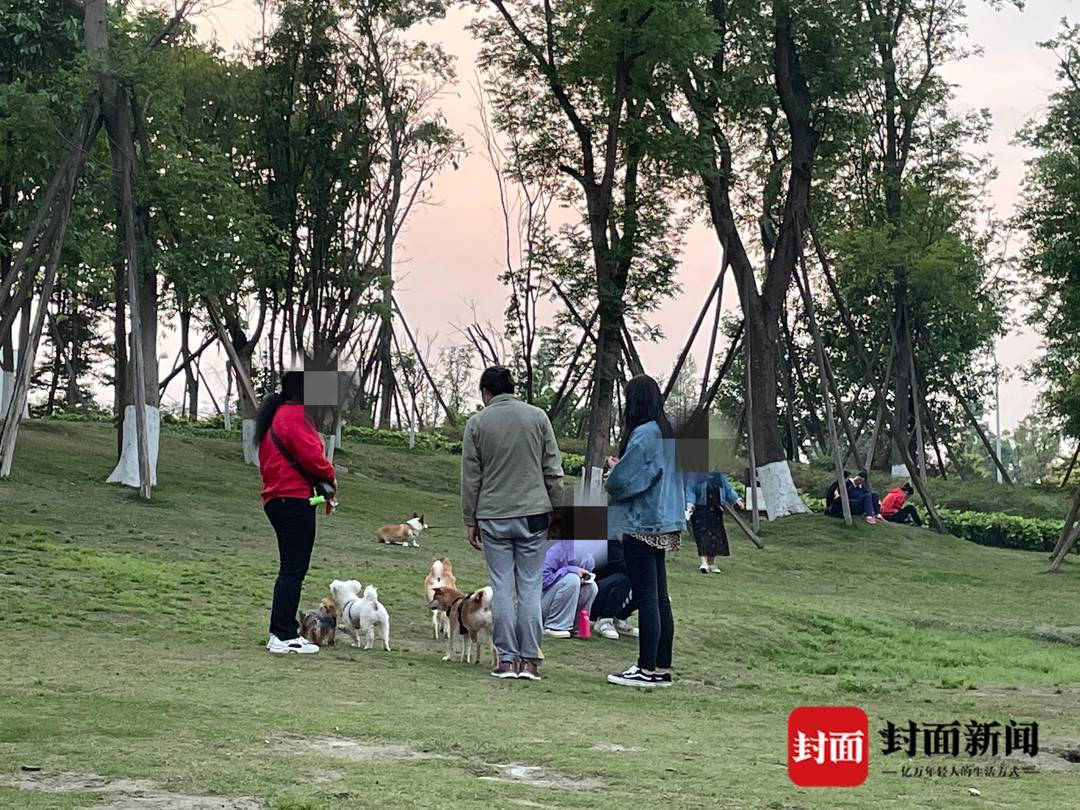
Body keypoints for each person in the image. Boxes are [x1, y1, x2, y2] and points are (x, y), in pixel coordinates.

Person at [462, 366, 564, 681]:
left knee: (502, 587)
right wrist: (558, 513)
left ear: (485, 392)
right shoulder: (538, 417)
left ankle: (506, 660)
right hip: (534, 513)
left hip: (493, 515)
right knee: (530, 587)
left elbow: (471, 477)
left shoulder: (477, 423)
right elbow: (553, 470)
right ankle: (530, 660)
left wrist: (470, 517)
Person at [604, 375, 685, 689]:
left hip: (643, 521)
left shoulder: (645, 434)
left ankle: (645, 667)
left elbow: (627, 479)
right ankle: (661, 668)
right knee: (660, 597)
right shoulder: (666, 433)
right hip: (665, 520)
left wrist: (614, 472)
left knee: (647, 596)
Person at [255, 371, 337, 655]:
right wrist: (330, 475)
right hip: (293, 499)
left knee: (291, 569)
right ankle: (282, 634)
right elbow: (314, 458)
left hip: (278, 499)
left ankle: (283, 631)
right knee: (293, 570)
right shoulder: (294, 416)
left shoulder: (276, 417)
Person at [685, 471, 744, 573]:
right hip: (701, 509)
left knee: (715, 536)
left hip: (716, 509)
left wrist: (736, 499)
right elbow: (690, 490)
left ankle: (711, 563)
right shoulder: (695, 475)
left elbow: (727, 488)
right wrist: (690, 504)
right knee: (702, 536)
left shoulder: (719, 476)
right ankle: (704, 563)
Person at [541, 540, 598, 639]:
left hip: (565, 596)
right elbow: (542, 580)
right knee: (572, 579)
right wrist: (569, 570)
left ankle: (578, 627)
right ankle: (554, 626)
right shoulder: (557, 549)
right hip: (541, 602)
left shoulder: (587, 557)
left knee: (592, 586)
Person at [586, 539, 639, 640]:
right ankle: (604, 619)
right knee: (627, 577)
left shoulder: (633, 545)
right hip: (594, 596)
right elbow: (627, 567)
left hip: (608, 592)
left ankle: (620, 619)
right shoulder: (610, 544)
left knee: (648, 585)